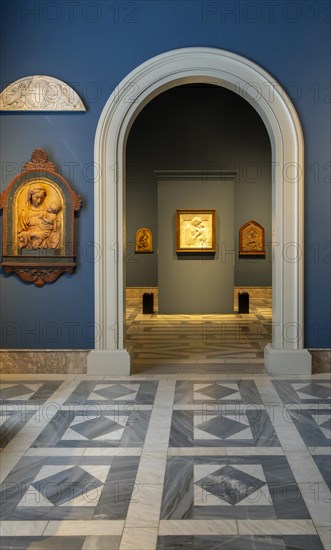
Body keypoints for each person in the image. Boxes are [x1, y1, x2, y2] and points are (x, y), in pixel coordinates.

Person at [17, 185, 61, 249]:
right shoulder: (25, 213)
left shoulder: (47, 211)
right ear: (30, 196)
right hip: (30, 241)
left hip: (46, 239)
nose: (39, 200)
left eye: (42, 198)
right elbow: (20, 234)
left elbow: (53, 227)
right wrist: (35, 233)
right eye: (36, 197)